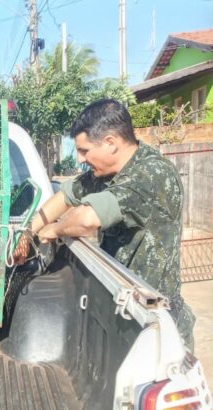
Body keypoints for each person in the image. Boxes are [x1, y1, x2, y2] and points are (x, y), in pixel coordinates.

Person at [14, 98, 195, 349]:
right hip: (121, 307)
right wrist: (28, 232)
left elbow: (87, 219)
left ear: (110, 142)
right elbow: (64, 196)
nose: (79, 159)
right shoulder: (105, 173)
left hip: (155, 322)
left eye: (85, 151)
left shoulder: (150, 175)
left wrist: (54, 230)